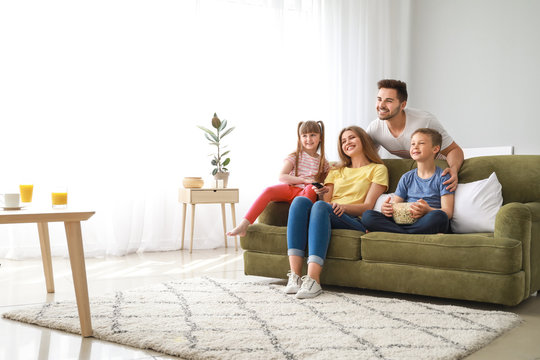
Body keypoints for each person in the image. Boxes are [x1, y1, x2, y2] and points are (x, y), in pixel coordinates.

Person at [285, 126, 388, 299]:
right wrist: (322, 194)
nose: (347, 142)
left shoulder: (378, 169)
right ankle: (294, 277)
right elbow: (326, 202)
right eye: (343, 141)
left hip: (354, 218)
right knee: (300, 201)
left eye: (352, 138)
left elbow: (368, 206)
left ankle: (313, 280)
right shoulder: (335, 170)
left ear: (363, 139)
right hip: (330, 211)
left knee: (321, 207)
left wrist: (343, 207)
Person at [227, 121, 329, 237]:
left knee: (311, 189)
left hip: (306, 193)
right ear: (300, 138)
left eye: (312, 135)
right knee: (268, 190)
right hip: (291, 188)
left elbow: (327, 181)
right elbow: (282, 176)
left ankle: (305, 229)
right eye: (304, 136)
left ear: (320, 138)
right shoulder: (295, 156)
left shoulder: (323, 162)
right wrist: (303, 180)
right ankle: (243, 225)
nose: (308, 139)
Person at [366, 79, 464, 192]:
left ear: (402, 105)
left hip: (441, 169)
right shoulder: (374, 129)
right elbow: (366, 160)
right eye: (379, 99)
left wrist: (454, 170)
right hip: (417, 171)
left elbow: (454, 150)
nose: (381, 105)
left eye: (389, 101)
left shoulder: (425, 121)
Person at [362, 128, 454, 234]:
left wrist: (427, 210)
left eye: (421, 143)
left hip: (428, 219)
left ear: (435, 149)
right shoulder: (406, 177)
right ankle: (408, 233)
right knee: (367, 216)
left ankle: (396, 233)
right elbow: (396, 206)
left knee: (440, 216)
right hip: (406, 221)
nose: (415, 146)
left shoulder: (443, 177)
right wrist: (387, 209)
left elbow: (448, 212)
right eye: (413, 144)